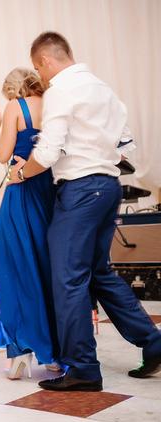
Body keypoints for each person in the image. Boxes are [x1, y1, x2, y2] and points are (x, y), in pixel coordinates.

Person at [9, 31, 161, 390]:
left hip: (80, 190)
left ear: (45, 61)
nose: (40, 76)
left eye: (38, 69)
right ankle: (154, 342)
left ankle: (83, 369)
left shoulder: (61, 90)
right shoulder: (103, 89)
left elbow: (47, 153)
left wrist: (21, 173)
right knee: (99, 273)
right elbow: (126, 146)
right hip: (108, 187)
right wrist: (97, 154)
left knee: (68, 278)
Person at [0, 68, 58, 379]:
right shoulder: (52, 103)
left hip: (21, 193)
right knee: (46, 269)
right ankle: (54, 353)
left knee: (11, 269)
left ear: (13, 90)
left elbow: (3, 154)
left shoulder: (16, 107)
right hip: (50, 193)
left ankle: (19, 354)